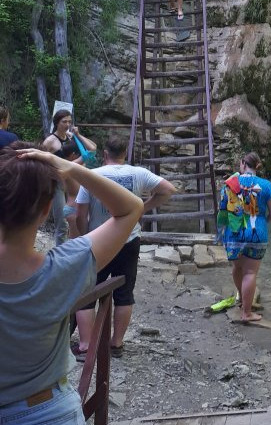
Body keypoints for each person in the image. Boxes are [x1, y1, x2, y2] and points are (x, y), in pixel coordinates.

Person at [0, 142, 143, 423]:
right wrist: (72, 169)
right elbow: (130, 208)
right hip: (47, 412)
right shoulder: (63, 267)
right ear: (45, 211)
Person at [75, 136, 175, 360]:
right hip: (128, 240)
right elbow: (168, 189)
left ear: (105, 154)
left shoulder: (93, 175)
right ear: (125, 153)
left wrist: (85, 237)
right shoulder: (138, 173)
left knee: (87, 292)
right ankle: (116, 344)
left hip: (97, 242)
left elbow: (80, 214)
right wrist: (141, 208)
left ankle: (85, 346)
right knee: (124, 292)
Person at [217, 152, 271, 323]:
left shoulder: (229, 185)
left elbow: (223, 209)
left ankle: (242, 300)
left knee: (238, 268)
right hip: (256, 232)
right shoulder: (265, 185)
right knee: (250, 272)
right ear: (257, 166)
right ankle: (247, 313)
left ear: (243, 164)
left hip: (234, 233)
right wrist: (263, 222)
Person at [43, 110, 98, 245]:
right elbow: (42, 162)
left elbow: (92, 148)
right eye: (64, 121)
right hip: (57, 182)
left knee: (77, 218)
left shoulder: (71, 137)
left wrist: (78, 135)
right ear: (57, 122)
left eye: (69, 121)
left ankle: (74, 248)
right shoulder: (50, 141)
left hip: (73, 181)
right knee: (61, 222)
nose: (67, 124)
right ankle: (59, 253)